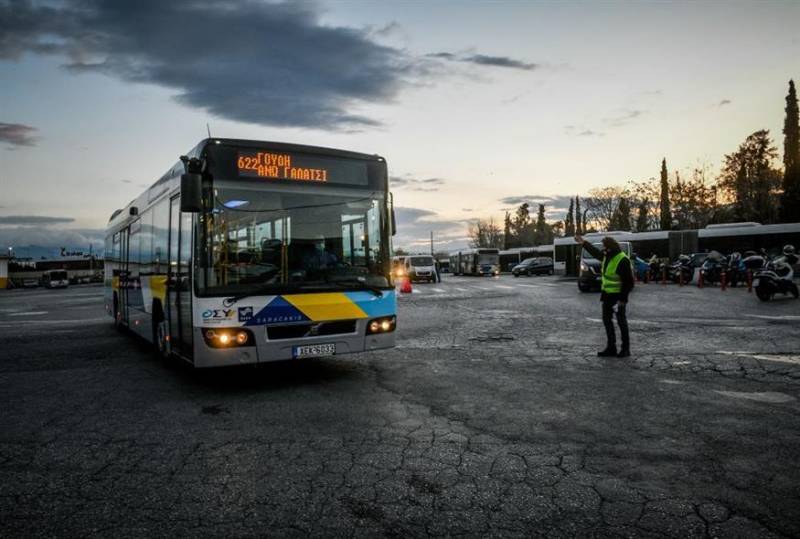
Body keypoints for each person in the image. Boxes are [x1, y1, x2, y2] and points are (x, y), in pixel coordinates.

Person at [575, 235, 635, 357]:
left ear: (610, 248)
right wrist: (584, 243)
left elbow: (629, 282)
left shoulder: (622, 260)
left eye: (604, 247)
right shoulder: (607, 256)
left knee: (621, 322)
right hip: (607, 295)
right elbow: (595, 252)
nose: (603, 250)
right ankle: (611, 347)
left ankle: (625, 349)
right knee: (607, 321)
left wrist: (623, 299)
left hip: (618, 297)